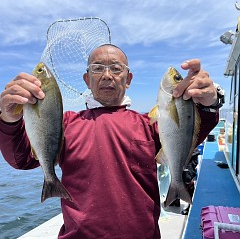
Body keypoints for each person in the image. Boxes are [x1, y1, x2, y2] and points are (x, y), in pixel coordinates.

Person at [0, 44, 220, 239]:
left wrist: (208, 104)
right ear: (87, 79)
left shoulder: (150, 125)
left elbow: (186, 135)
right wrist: (9, 120)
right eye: (97, 68)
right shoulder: (64, 124)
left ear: (128, 79)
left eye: (116, 68)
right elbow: (22, 159)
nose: (107, 75)